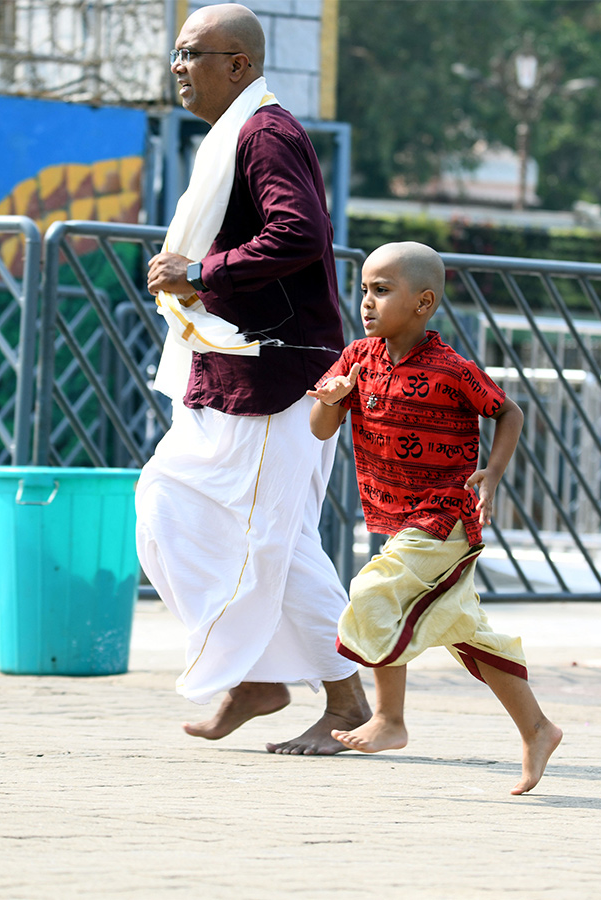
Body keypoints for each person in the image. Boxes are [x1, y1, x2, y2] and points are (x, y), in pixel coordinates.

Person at [135, 3, 370, 754]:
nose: (178, 66)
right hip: (233, 366)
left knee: (274, 540)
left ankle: (332, 697)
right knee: (170, 506)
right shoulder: (238, 132)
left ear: (238, 66)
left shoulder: (266, 132)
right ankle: (268, 679)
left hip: (279, 375)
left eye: (193, 53)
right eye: (176, 52)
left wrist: (201, 270)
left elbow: (299, 233)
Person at [306, 241, 562, 793]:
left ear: (423, 303)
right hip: (400, 519)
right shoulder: (357, 358)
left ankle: (390, 719)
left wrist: (490, 475)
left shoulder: (451, 368)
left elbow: (508, 411)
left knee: (375, 591)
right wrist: (331, 398)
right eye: (364, 289)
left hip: (446, 515)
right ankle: (537, 728)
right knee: (463, 630)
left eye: (381, 290)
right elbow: (320, 429)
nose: (366, 301)